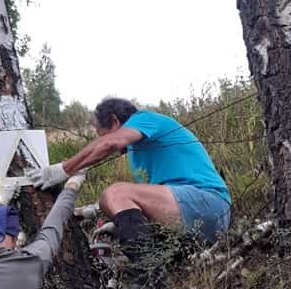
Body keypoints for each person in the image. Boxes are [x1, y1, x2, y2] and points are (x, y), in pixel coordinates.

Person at [30, 98, 231, 253]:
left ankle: (146, 277)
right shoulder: (137, 151)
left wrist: (64, 169)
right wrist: (121, 225)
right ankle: (156, 266)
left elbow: (109, 144)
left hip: (209, 204)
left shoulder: (144, 119)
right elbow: (151, 203)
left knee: (115, 193)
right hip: (193, 215)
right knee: (115, 201)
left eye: (104, 134)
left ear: (115, 121)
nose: (104, 140)